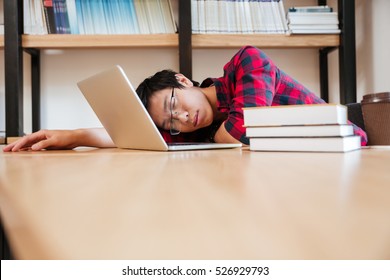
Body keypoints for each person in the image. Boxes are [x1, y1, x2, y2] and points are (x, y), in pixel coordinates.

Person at [3, 46, 367, 152]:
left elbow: (240, 131)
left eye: (174, 106)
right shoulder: (199, 127)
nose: (180, 121)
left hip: (341, 151)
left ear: (183, 79)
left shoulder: (247, 62)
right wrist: (73, 136)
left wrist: (224, 135)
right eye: (170, 123)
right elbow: (141, 137)